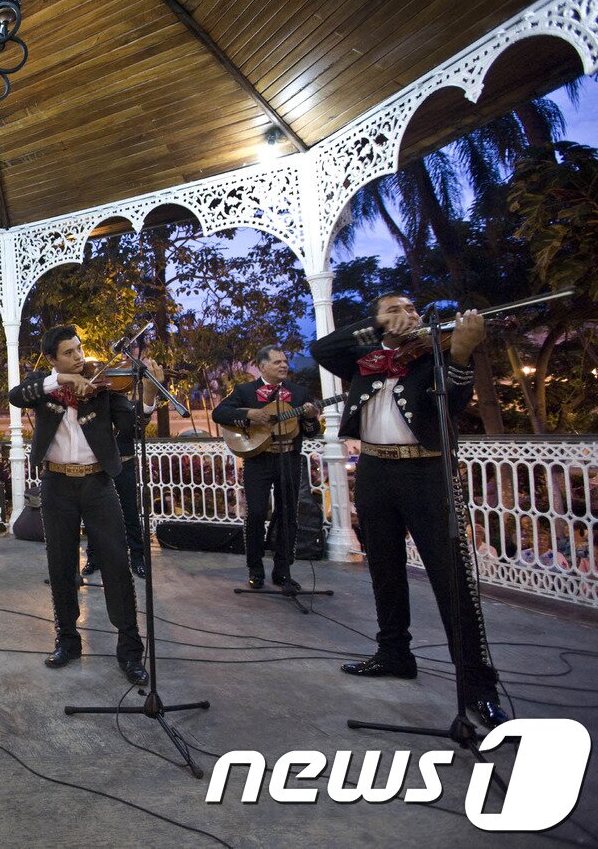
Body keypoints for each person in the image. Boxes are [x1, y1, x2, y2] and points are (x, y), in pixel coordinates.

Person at [311, 293, 506, 729]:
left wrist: (459, 353)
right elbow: (322, 348)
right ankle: (394, 652)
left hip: (425, 472)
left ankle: (477, 686)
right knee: (383, 567)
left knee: (449, 575)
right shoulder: (363, 357)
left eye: (412, 310)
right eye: (394, 310)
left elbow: (454, 402)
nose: (408, 316)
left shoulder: (433, 354)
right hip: (376, 470)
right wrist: (379, 327)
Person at [9, 325, 159, 685]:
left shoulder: (103, 387)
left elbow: (131, 427)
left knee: (115, 563)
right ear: (52, 359)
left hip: (98, 482)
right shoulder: (42, 385)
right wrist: (59, 380)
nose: (79, 358)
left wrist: (150, 395)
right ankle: (67, 640)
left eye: (79, 350)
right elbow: (16, 395)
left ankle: (130, 650)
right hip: (56, 484)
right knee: (60, 563)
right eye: (69, 353)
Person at [211, 346, 320, 590]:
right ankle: (255, 569)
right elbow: (219, 413)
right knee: (257, 513)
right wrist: (249, 414)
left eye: (285, 361)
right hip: (258, 459)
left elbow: (313, 433)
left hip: (288, 458)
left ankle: (283, 570)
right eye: (277, 362)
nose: (283, 365)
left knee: (288, 514)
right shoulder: (245, 391)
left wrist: (311, 418)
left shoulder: (299, 392)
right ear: (262, 366)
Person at [83, 381, 158, 580]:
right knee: (93, 515)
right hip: (97, 465)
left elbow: (134, 428)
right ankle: (93, 558)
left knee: (130, 512)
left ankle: (137, 558)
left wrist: (147, 396)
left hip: (123, 464)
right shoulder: (88, 402)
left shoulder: (119, 400)